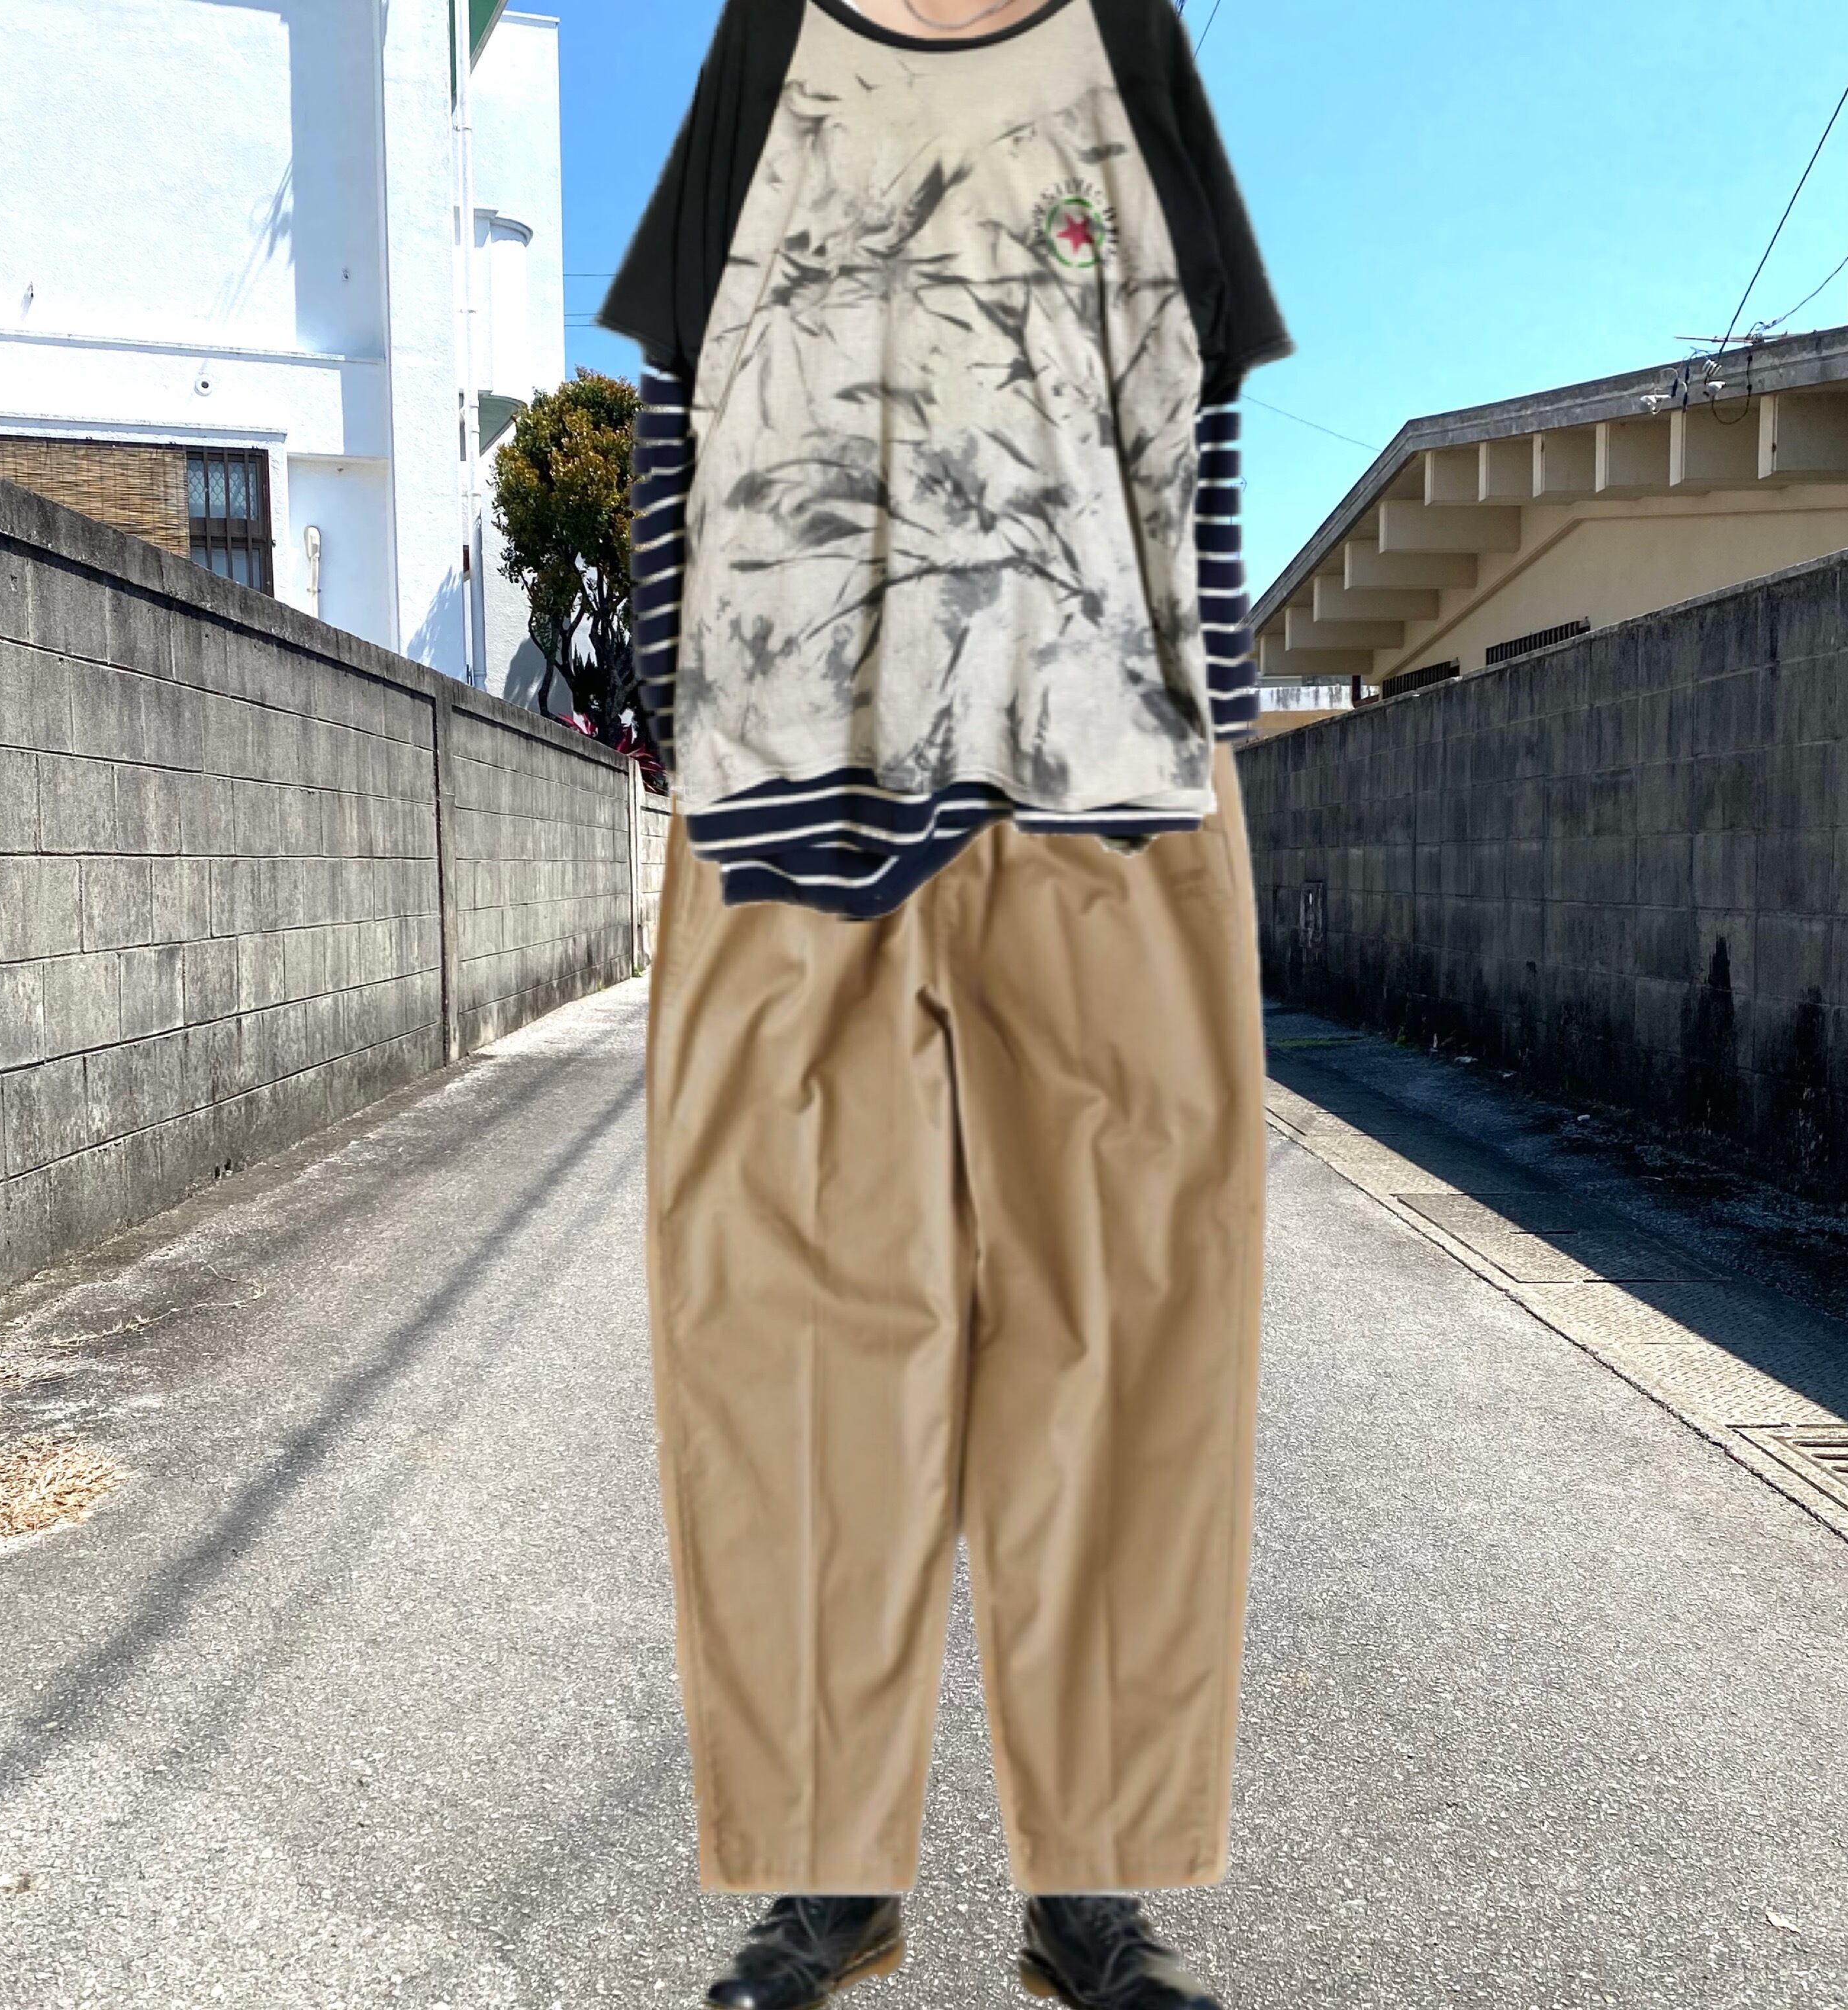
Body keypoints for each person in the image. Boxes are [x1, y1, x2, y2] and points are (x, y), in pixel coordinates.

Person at [599, 0, 1290, 2001]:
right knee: (796, 1322)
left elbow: (1200, 390)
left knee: (1128, 1322)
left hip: (1105, 759)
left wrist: (1197, 702)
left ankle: (1096, 1887)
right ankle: (830, 1875)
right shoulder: (767, 42)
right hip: (793, 759)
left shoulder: (1126, 40)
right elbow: (674, 396)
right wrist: (676, 704)